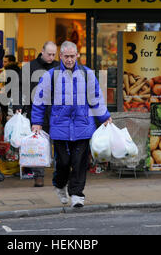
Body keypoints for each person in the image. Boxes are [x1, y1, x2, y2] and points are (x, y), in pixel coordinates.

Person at [31, 41, 112, 208]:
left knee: (79, 162)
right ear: (61, 56)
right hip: (60, 126)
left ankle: (76, 194)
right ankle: (60, 185)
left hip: (83, 125)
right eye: (66, 56)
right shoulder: (51, 75)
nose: (69, 59)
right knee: (63, 162)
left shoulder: (87, 74)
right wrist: (37, 122)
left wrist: (104, 116)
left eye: (72, 56)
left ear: (77, 56)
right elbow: (39, 100)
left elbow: (96, 97)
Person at [13, 41, 59, 187]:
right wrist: (18, 105)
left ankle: (60, 175)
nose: (51, 57)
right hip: (37, 111)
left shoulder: (59, 67)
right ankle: (38, 176)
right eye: (49, 54)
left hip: (57, 111)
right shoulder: (30, 67)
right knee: (38, 143)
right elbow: (19, 87)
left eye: (54, 54)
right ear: (42, 51)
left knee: (59, 144)